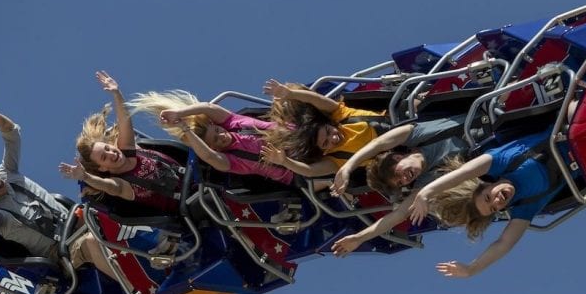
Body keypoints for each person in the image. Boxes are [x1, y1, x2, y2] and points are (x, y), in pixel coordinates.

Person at [407, 129, 564, 278]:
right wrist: (471, 269)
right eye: (494, 208)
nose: (498, 200)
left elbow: (464, 173)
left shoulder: (502, 161)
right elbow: (503, 244)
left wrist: (426, 192)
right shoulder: (526, 206)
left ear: (486, 185)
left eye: (488, 197)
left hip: (567, 127)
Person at [329, 115, 470, 258]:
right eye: (400, 183)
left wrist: (348, 166)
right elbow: (399, 214)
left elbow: (379, 143)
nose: (404, 178)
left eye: (398, 174)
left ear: (397, 158)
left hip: (486, 114)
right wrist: (360, 238)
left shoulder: (417, 135)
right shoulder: (425, 184)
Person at [62, 71, 186, 215]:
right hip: (190, 205)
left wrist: (116, 93)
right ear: (102, 168)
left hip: (198, 177)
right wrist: (86, 177)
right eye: (104, 157)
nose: (111, 153)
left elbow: (124, 120)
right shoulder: (122, 183)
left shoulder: (128, 150)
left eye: (107, 148)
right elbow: (109, 187)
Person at [0, 102, 69, 261]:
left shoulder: (6, 172)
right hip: (59, 252)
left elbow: (12, 134)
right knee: (91, 243)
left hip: (75, 222)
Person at [126, 91, 293, 185]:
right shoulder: (232, 160)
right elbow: (207, 156)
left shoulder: (235, 122)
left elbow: (208, 108)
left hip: (297, 137)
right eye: (215, 140)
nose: (221, 136)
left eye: (218, 131)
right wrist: (185, 128)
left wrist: (179, 114)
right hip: (295, 170)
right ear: (214, 147)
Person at [258, 79, 391, 179]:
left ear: (330, 123)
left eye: (328, 132)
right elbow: (310, 171)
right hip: (399, 152)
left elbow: (315, 99)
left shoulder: (341, 114)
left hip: (398, 121)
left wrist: (291, 94)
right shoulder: (335, 159)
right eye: (326, 143)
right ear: (323, 150)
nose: (333, 138)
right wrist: (285, 162)